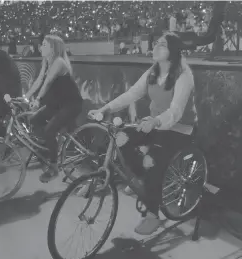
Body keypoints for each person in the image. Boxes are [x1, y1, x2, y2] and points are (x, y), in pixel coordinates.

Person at [88, 32, 197, 235]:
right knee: (121, 138)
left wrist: (156, 120)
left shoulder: (184, 74)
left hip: (178, 129)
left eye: (162, 45)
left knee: (154, 167)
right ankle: (141, 178)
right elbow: (132, 94)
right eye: (156, 43)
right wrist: (105, 109)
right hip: (153, 125)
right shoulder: (153, 71)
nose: (156, 47)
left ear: (173, 51)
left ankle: (153, 215)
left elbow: (176, 111)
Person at [24, 34, 83, 183]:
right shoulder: (47, 61)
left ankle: (54, 166)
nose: (40, 47)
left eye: (44, 44)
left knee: (49, 130)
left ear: (53, 48)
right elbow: (39, 81)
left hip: (70, 104)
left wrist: (37, 99)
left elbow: (48, 82)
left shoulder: (59, 62)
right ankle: (50, 148)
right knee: (34, 120)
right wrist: (25, 96)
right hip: (56, 105)